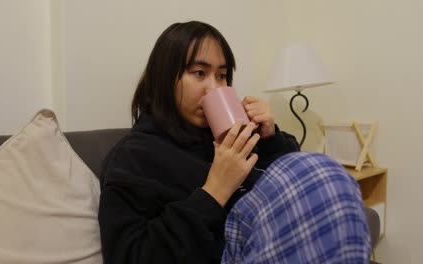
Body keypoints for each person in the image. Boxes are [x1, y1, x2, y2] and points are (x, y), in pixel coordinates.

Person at [98, 21, 369, 264]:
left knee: (326, 173)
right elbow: (129, 255)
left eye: (222, 75)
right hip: (227, 252)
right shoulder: (133, 157)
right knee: (326, 175)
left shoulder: (224, 135)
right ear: (164, 78)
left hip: (267, 237)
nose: (214, 88)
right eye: (199, 73)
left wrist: (270, 138)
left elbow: (287, 180)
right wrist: (215, 190)